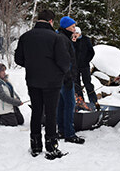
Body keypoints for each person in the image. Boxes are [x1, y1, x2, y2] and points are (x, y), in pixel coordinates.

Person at [15, 9, 71, 160]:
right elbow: (64, 63)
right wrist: (61, 72)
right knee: (51, 114)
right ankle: (51, 147)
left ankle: (35, 146)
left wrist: (33, 64)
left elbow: (18, 59)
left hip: (33, 80)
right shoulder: (56, 38)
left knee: (37, 112)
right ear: (51, 21)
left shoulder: (26, 37)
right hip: (52, 82)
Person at [56, 17, 84, 144]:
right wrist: (68, 77)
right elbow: (64, 60)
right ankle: (69, 133)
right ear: (66, 27)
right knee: (69, 105)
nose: (74, 29)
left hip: (63, 77)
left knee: (62, 104)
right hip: (65, 78)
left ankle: (61, 129)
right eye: (72, 27)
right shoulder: (62, 39)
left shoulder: (63, 37)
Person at [72, 25, 99, 110]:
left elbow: (91, 52)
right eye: (74, 33)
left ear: (80, 33)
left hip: (84, 65)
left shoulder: (86, 39)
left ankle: (93, 101)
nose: (75, 34)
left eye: (77, 33)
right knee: (76, 84)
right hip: (75, 66)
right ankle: (80, 101)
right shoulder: (71, 40)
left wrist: (86, 60)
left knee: (88, 83)